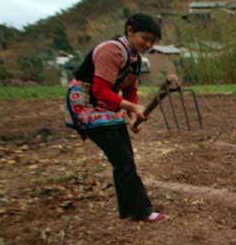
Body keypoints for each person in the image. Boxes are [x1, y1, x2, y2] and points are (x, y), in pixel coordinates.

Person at [64, 13, 164, 222]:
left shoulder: (135, 58)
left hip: (107, 108)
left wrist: (131, 116)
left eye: (152, 42)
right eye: (144, 38)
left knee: (125, 158)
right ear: (129, 30)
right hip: (87, 106)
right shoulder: (111, 51)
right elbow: (100, 89)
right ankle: (142, 210)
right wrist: (132, 107)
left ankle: (127, 209)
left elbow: (129, 91)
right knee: (123, 160)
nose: (147, 44)